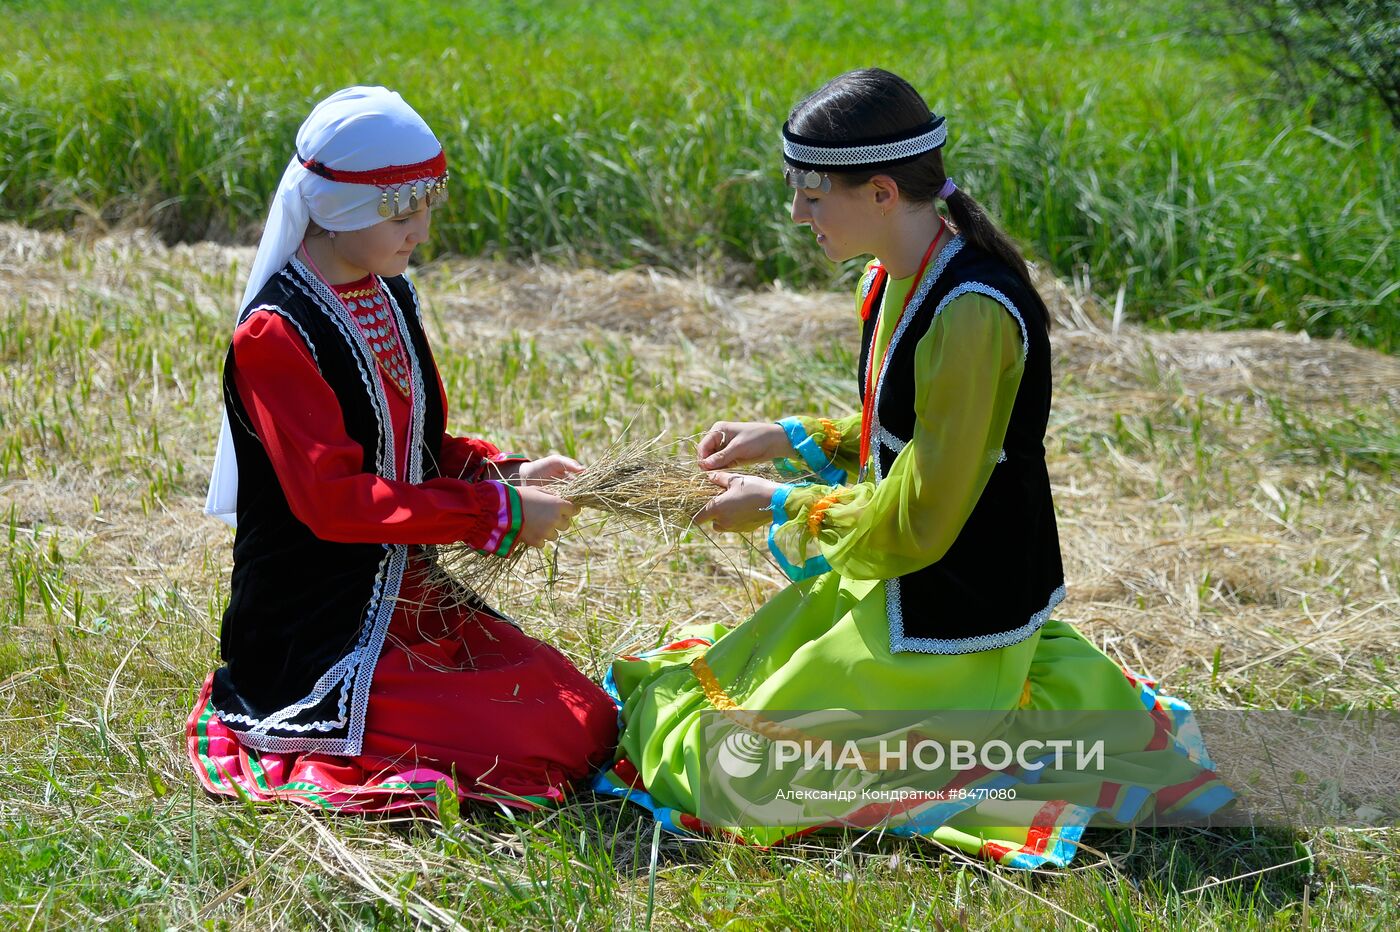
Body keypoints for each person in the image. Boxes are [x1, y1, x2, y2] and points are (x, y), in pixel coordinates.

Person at [593, 69, 1231, 867]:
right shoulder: (896, 276)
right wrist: (789, 434)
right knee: (719, 714)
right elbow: (911, 428)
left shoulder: (970, 309)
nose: (797, 214)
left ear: (883, 192)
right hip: (904, 582)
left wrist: (781, 506)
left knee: (731, 777)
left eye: (812, 195)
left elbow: (925, 513)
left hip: (951, 601)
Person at [186, 86, 617, 813]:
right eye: (400, 208)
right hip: (316, 622)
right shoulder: (276, 336)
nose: (420, 228)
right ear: (338, 206)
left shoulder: (391, 294)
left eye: (428, 204)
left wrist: (503, 470)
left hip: (404, 596)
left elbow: (413, 447)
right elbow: (337, 501)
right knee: (544, 739)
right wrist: (494, 513)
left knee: (584, 718)